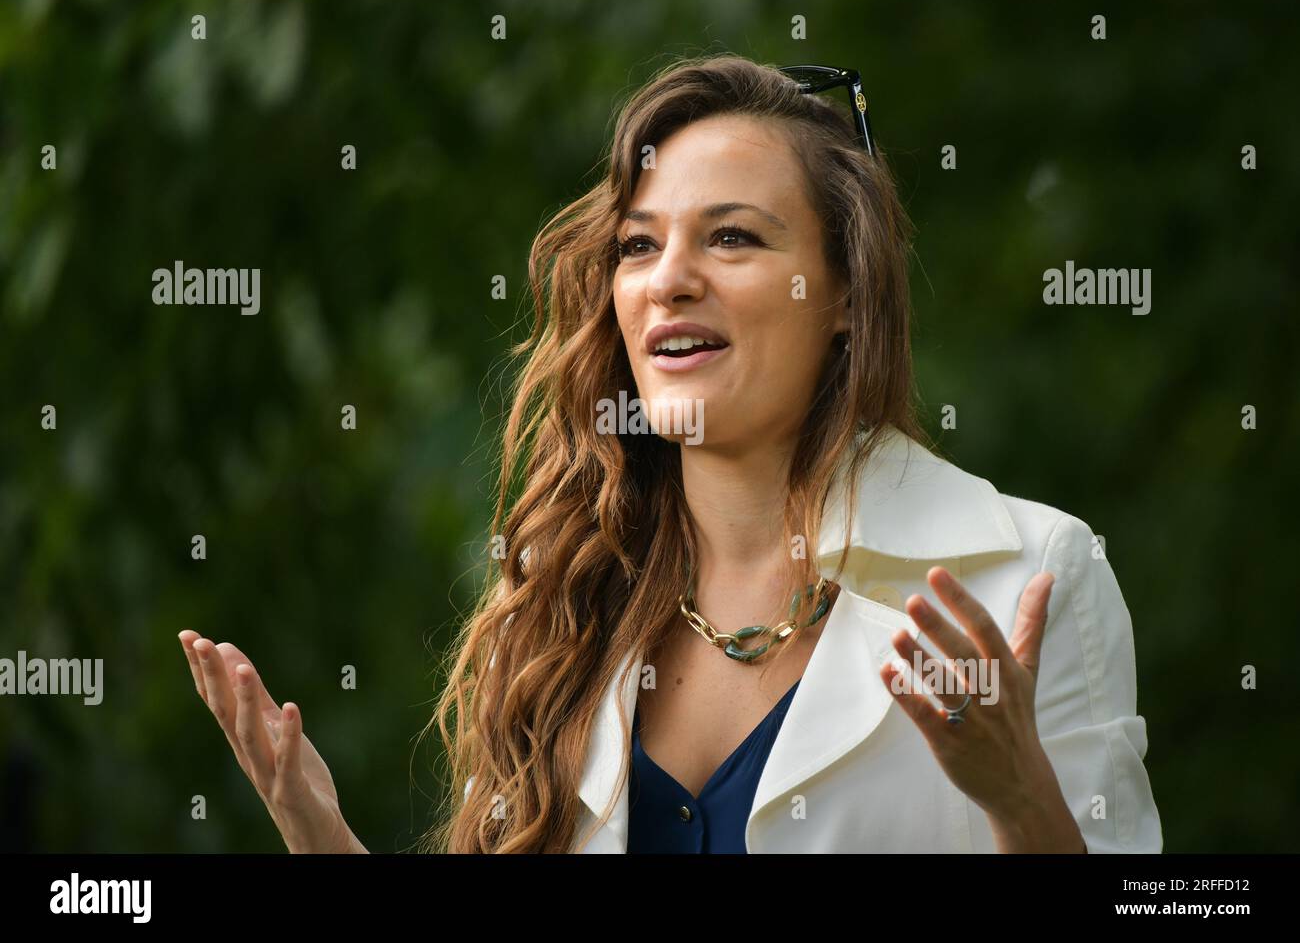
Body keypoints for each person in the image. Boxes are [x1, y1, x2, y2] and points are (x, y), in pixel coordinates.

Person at [178, 53, 1161, 854]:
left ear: (845, 297)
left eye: (731, 237)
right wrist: (321, 838)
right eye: (639, 246)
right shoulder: (558, 591)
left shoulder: (1029, 575)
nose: (668, 280)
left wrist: (1021, 801)